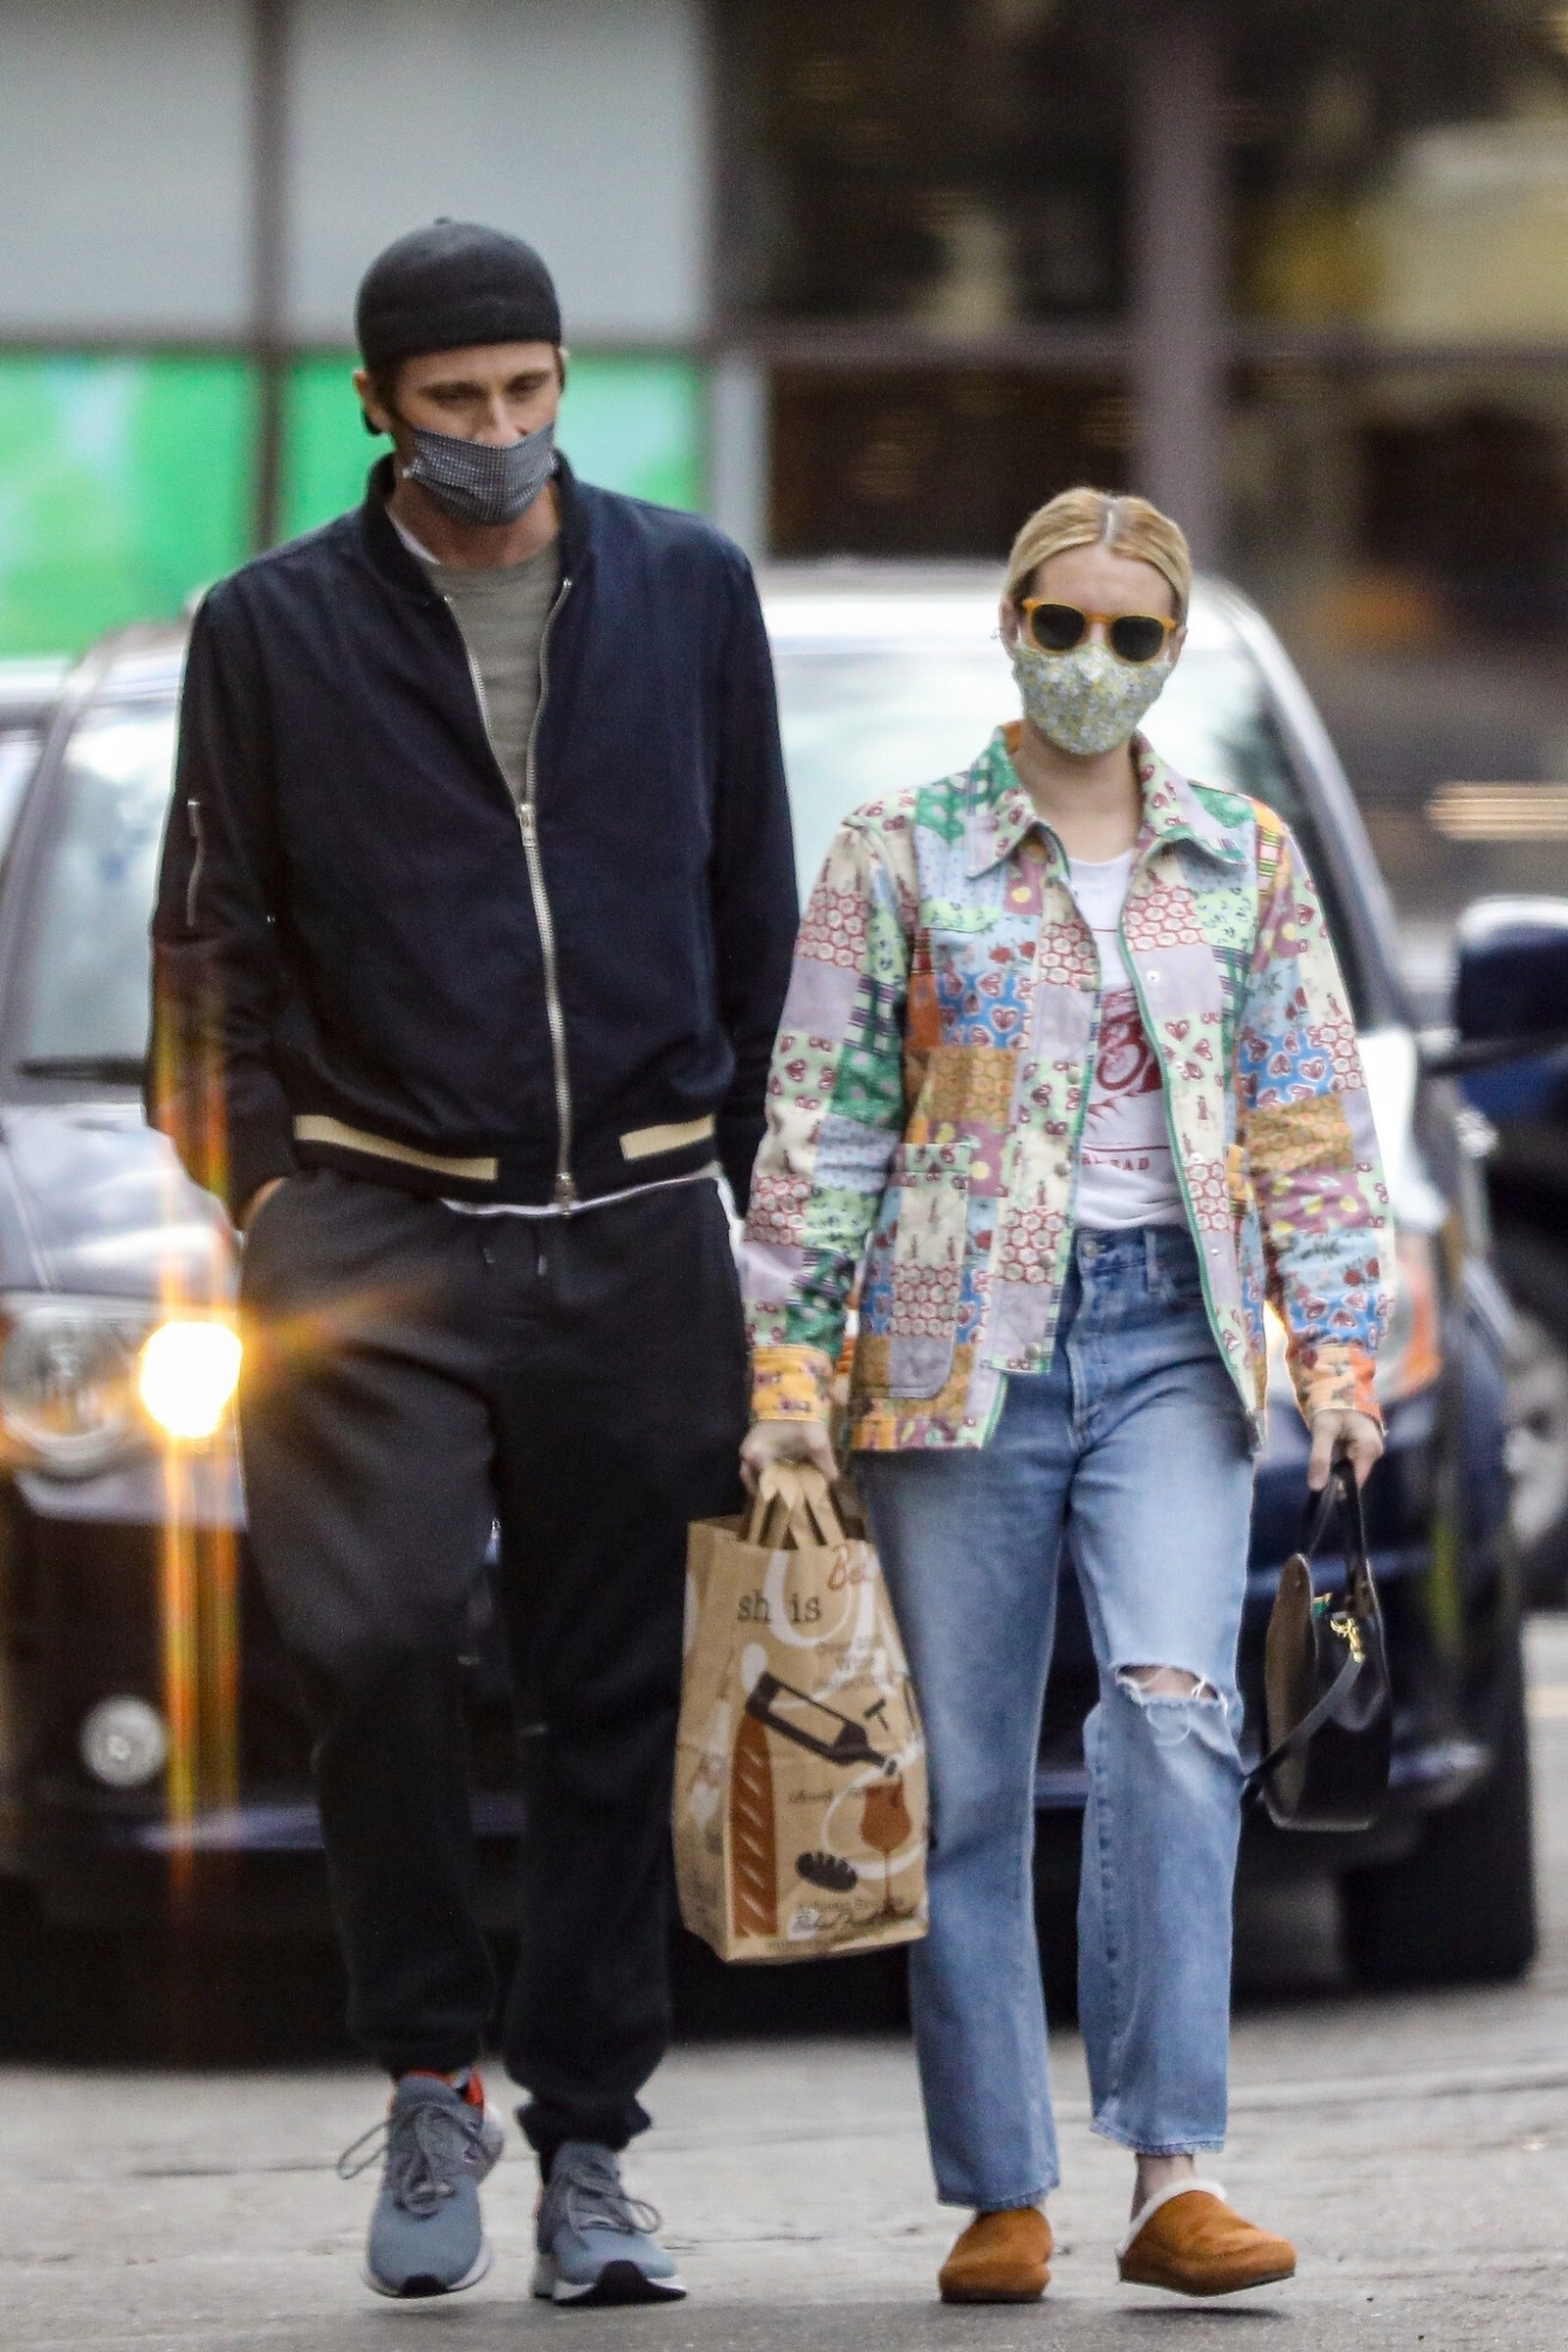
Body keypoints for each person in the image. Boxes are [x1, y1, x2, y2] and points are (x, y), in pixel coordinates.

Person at [149, 220, 797, 2307]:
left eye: (527, 390)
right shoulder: (270, 629)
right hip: (374, 1232)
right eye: (455, 401)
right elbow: (209, 939)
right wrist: (264, 1195)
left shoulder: (689, 591)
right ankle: (432, 2069)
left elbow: (755, 914)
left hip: (637, 1227)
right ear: (375, 405)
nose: (500, 432)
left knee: (615, 1697)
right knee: (369, 1647)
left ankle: (590, 2149)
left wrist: (772, 1230)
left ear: (564, 378)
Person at [740, 487, 1389, 2304]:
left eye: (1131, 633)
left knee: (1177, 1721)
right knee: (957, 1781)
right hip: (955, 1355)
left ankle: (1176, 2170)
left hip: (1176, 1337)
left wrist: (1338, 1354)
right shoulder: (898, 852)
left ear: (1166, 650)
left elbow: (1310, 1123)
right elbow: (823, 1128)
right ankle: (999, 2191)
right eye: (1063, 624)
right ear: (1013, 625)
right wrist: (787, 1367)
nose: (1093, 660)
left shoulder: (1243, 856)